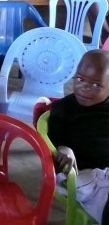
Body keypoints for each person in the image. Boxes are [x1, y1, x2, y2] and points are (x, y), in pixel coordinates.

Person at [47, 49, 109, 224]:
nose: (85, 87)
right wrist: (63, 147)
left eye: (96, 84)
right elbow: (52, 137)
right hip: (87, 175)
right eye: (80, 79)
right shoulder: (64, 108)